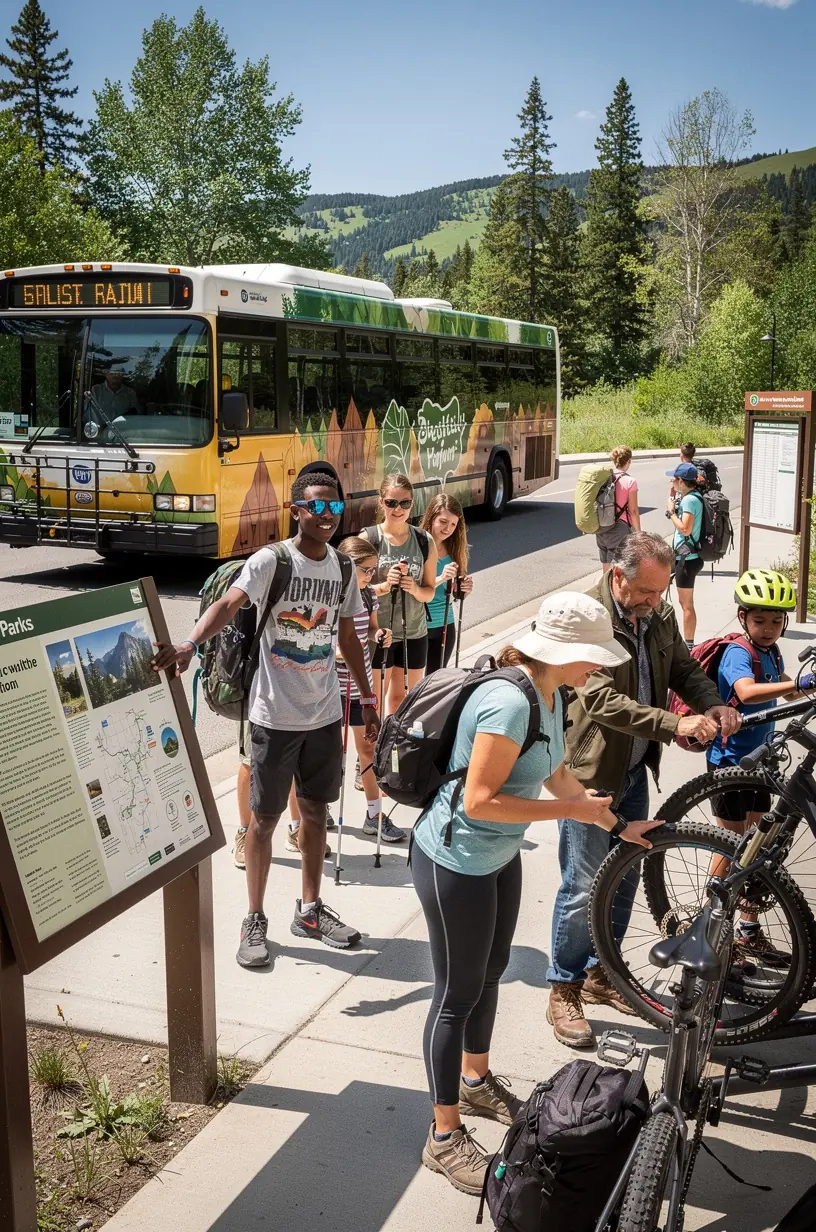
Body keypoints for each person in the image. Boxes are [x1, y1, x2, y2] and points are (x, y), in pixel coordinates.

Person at [414, 591, 660, 1196]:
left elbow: (555, 773)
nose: (598, 669)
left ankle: (475, 1082)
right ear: (562, 652)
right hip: (456, 859)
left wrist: (614, 825)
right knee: (456, 994)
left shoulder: (550, 693)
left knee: (492, 972)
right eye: (593, 658)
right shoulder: (507, 702)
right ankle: (443, 1139)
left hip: (496, 856)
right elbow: (478, 800)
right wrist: (566, 810)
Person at [151, 472, 379, 967]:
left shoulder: (342, 568)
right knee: (265, 821)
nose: (326, 516)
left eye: (334, 509)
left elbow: (348, 639)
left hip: (322, 715)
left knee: (316, 812)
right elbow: (227, 604)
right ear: (296, 509)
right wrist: (191, 644)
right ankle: (254, 918)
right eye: (316, 507)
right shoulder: (271, 561)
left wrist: (366, 700)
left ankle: (311, 910)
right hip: (273, 716)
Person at [546, 532, 741, 1048]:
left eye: (662, 593)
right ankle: (563, 987)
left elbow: (683, 666)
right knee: (582, 884)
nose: (657, 603)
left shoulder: (654, 614)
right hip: (590, 774)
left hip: (632, 771)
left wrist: (712, 703)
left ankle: (599, 971)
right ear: (618, 577)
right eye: (648, 593)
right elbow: (601, 701)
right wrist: (673, 726)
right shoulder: (589, 616)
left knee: (625, 876)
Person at [708, 569, 814, 961]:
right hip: (731, 765)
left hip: (760, 763)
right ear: (742, 618)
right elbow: (747, 692)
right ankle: (712, 929)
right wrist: (797, 687)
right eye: (759, 620)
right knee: (731, 847)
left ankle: (747, 931)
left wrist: (805, 687)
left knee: (756, 847)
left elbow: (779, 680)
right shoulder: (740, 651)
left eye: (776, 621)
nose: (768, 628)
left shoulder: (770, 650)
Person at [335, 535, 405, 843]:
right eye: (366, 570)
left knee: (367, 748)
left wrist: (379, 635)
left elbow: (372, 627)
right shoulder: (331, 597)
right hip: (329, 686)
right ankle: (320, 808)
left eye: (374, 570)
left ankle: (374, 815)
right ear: (348, 568)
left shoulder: (367, 596)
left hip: (359, 685)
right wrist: (340, 650)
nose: (371, 577)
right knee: (330, 752)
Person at [363, 474, 438, 714]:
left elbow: (429, 593)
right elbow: (353, 592)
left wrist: (413, 588)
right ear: (381, 502)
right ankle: (373, 751)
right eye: (391, 502)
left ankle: (396, 748)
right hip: (378, 633)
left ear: (412, 504)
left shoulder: (424, 540)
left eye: (405, 503)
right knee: (373, 703)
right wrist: (384, 586)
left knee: (404, 703)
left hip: (414, 632)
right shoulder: (369, 539)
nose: (398, 509)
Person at [420, 493, 473, 674]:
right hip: (419, 625)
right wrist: (441, 578)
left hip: (445, 623)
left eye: (453, 524)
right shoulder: (418, 545)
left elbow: (456, 593)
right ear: (431, 516)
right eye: (443, 522)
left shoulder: (454, 548)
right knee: (415, 683)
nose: (448, 528)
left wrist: (464, 590)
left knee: (436, 679)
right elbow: (413, 588)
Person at [666, 462, 705, 647]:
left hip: (687, 559)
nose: (672, 482)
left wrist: (671, 512)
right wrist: (673, 496)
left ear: (681, 481)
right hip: (684, 556)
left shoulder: (690, 500)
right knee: (683, 602)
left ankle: (689, 645)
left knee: (686, 605)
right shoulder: (691, 496)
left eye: (674, 479)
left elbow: (685, 528)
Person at [596, 446, 641, 574]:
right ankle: (612, 592)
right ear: (629, 461)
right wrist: (639, 533)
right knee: (617, 567)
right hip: (619, 528)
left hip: (602, 525)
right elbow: (633, 510)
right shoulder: (630, 481)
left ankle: (604, 590)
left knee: (605, 563)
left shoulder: (604, 478)